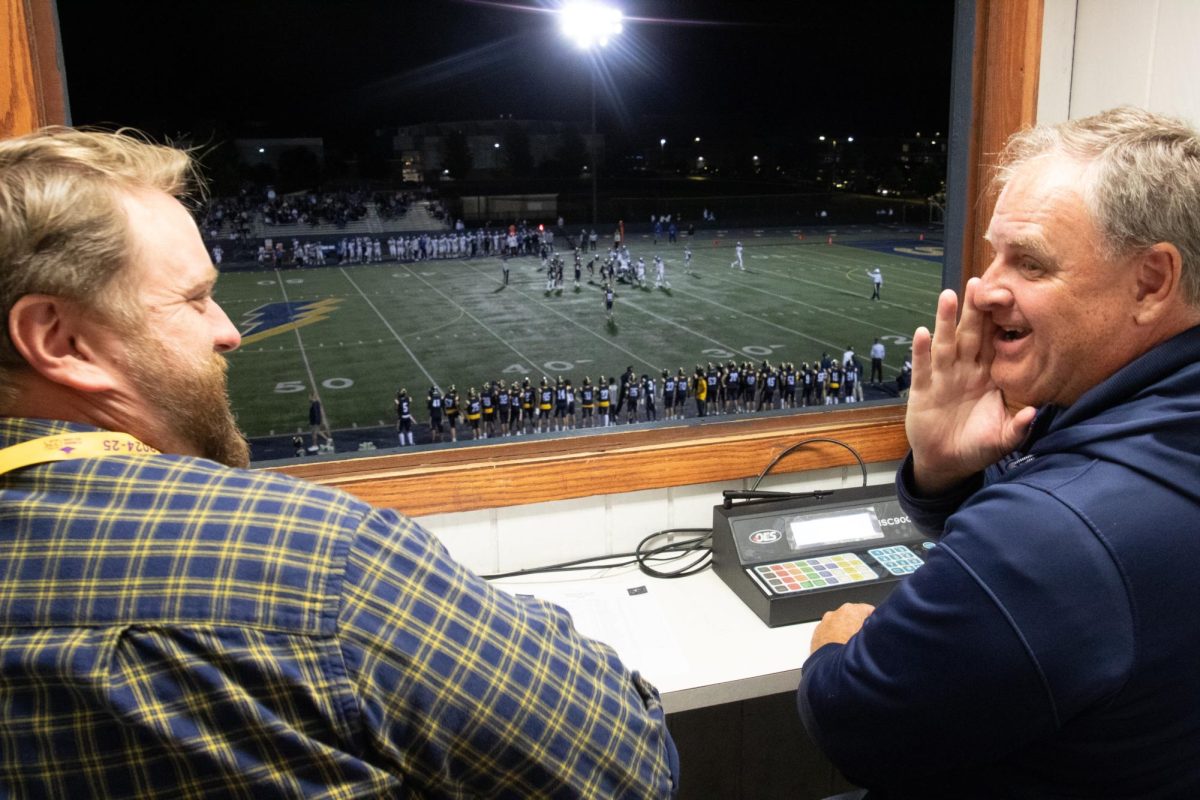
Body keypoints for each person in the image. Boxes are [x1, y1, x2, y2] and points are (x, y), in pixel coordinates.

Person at [0, 127, 679, 798]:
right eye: (193, 298)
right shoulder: (315, 561)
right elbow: (629, 766)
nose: (228, 331)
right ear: (59, 339)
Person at [799, 107, 1200, 796]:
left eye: (1031, 260)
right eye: (993, 252)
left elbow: (855, 721)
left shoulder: (1058, 533)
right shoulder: (1144, 441)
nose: (984, 286)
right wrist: (946, 475)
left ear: (1152, 282)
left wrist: (835, 645)